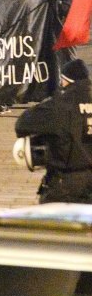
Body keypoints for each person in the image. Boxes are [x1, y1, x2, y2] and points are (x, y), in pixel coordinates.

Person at [15, 60, 92, 204]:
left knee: (55, 224)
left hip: (66, 182)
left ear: (65, 80)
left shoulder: (61, 104)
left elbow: (22, 124)